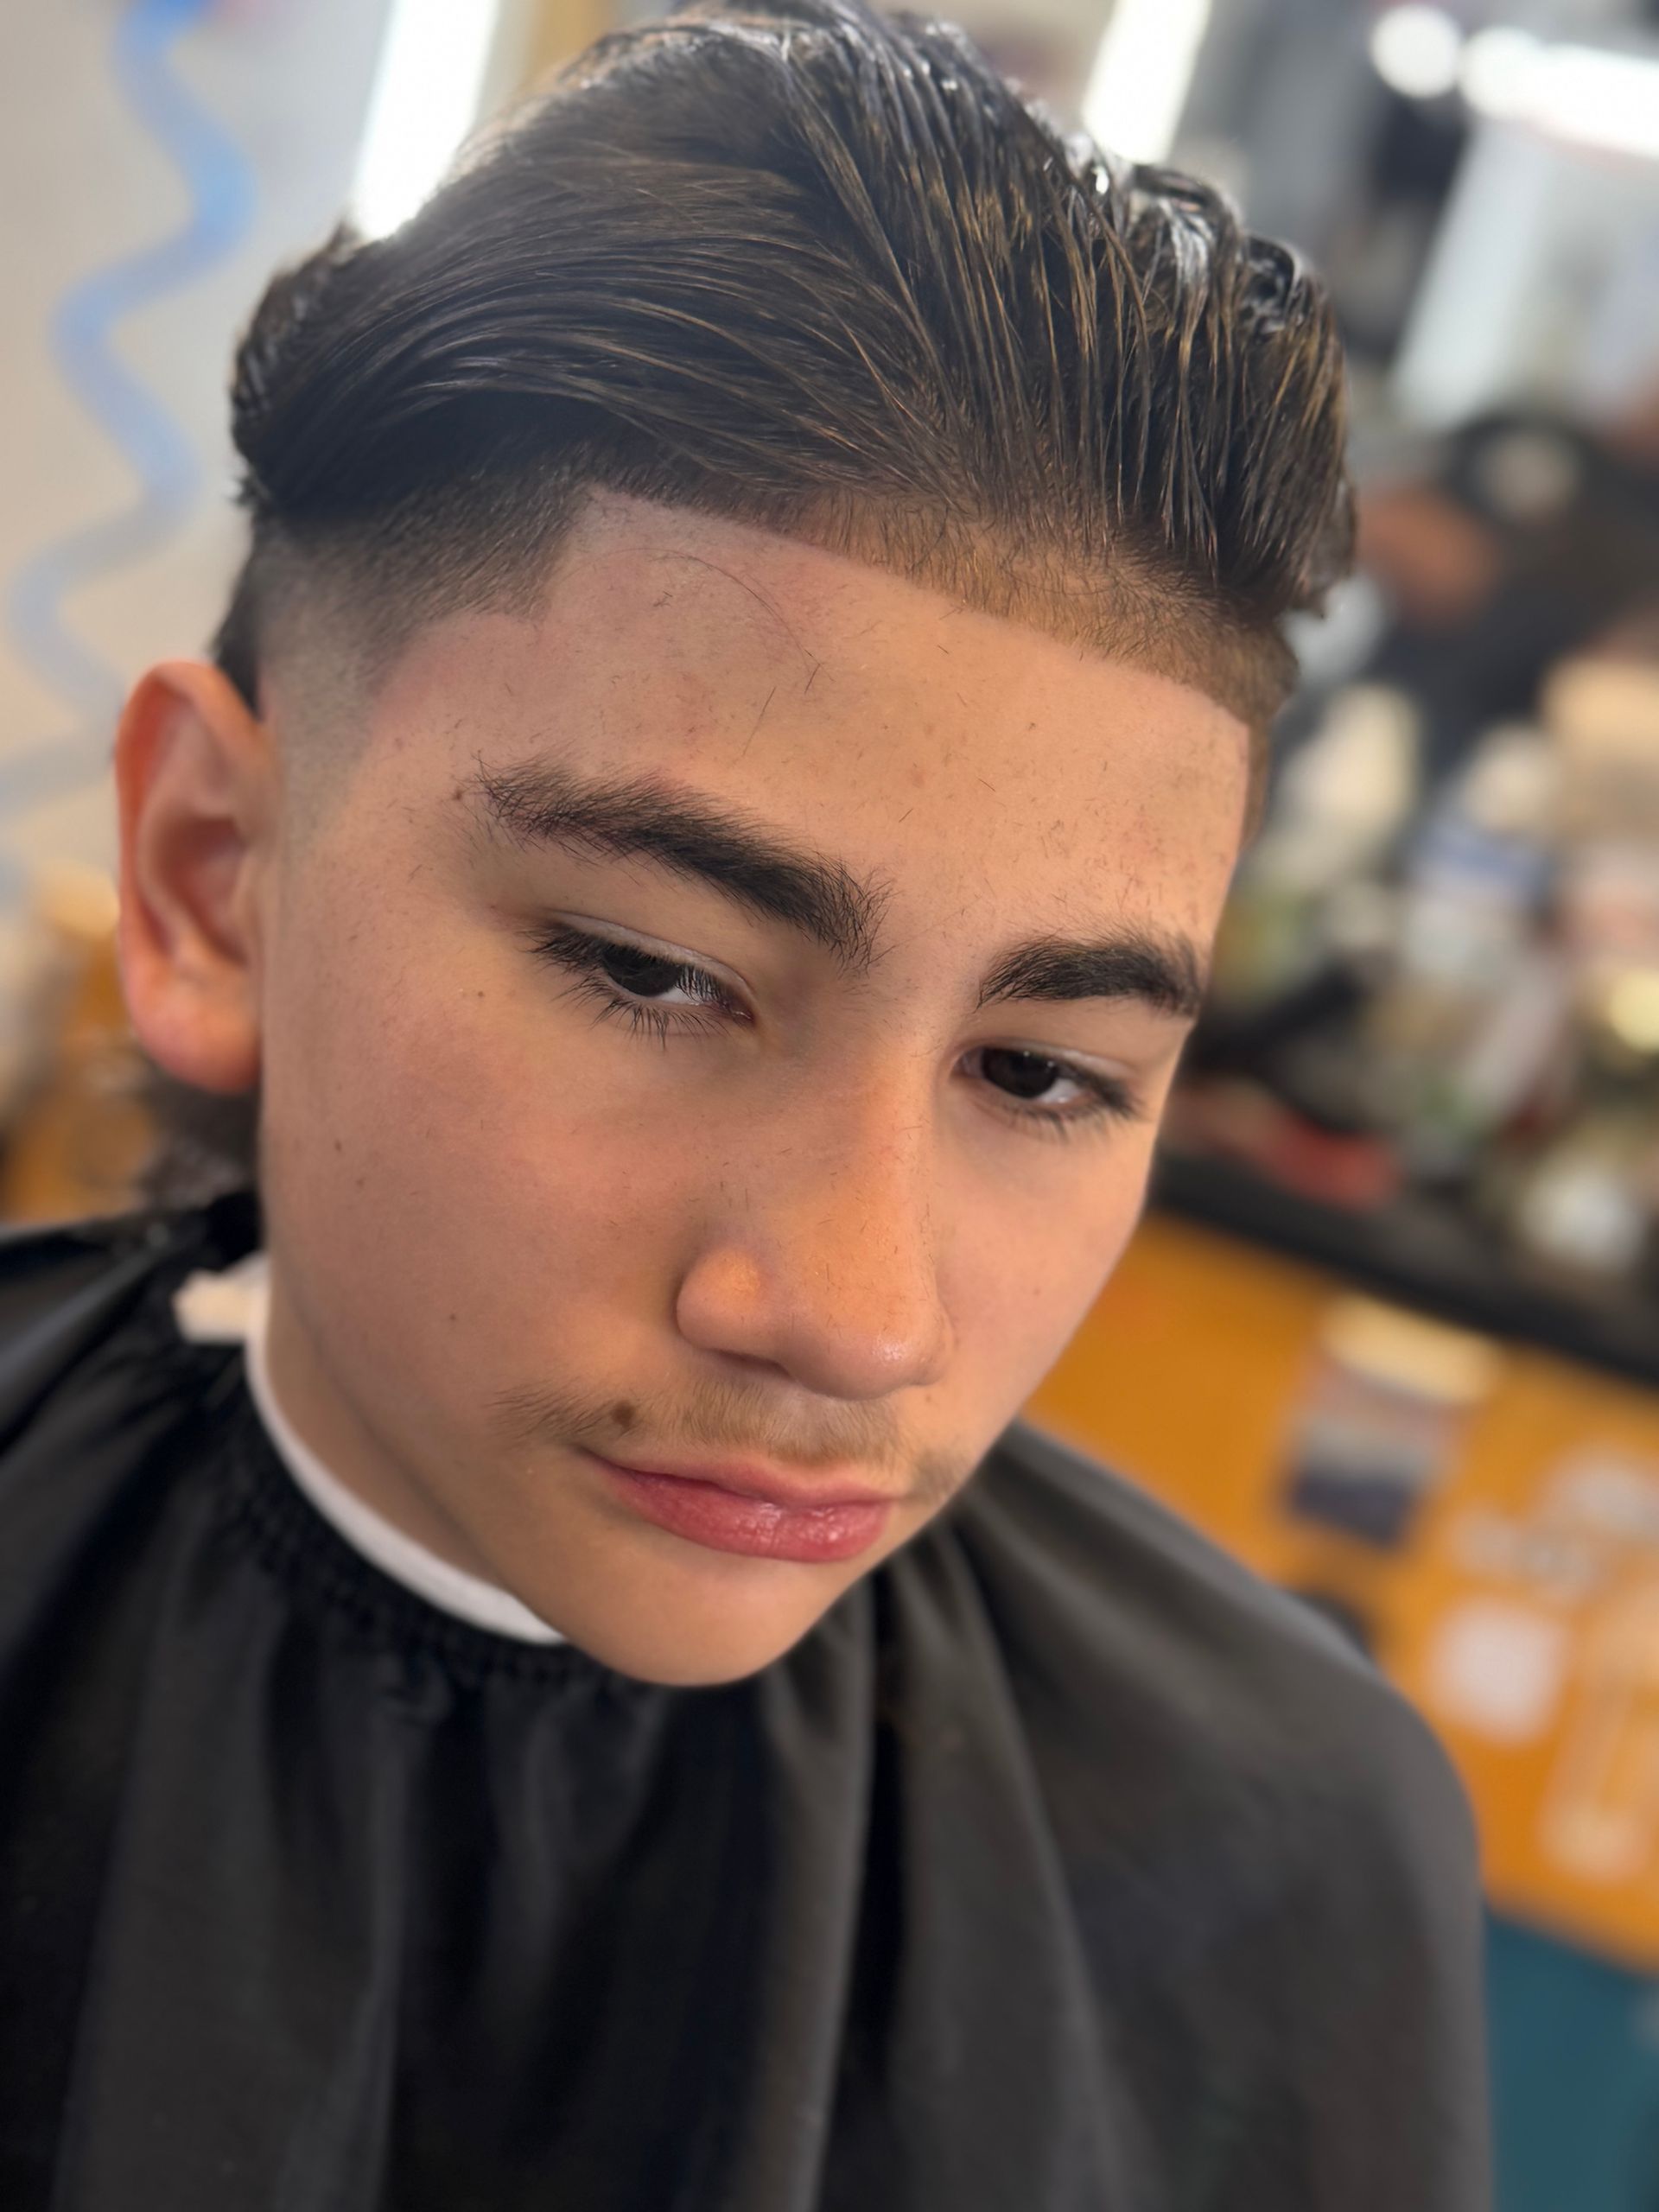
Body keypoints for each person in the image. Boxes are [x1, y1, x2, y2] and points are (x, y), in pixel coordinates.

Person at [0, 3, 1491, 2204]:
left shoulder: (1282, 1855)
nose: (856, 1314)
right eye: (651, 969)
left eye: (1045, 1071)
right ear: (216, 876)